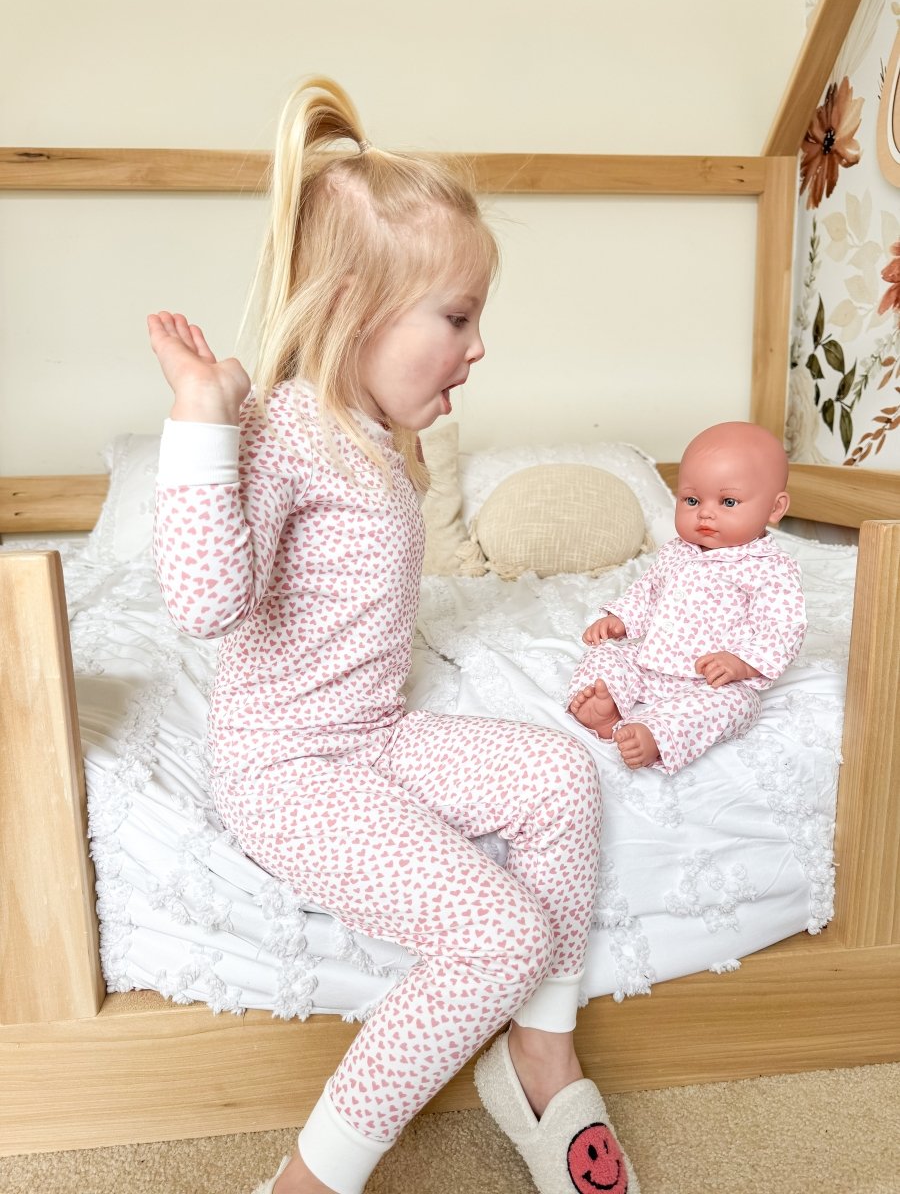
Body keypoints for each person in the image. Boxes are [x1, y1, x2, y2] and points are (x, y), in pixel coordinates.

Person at [148, 78, 639, 1194]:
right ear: (355, 308)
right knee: (495, 935)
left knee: (560, 777)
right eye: (457, 318)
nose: (479, 347)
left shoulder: (373, 435)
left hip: (371, 731)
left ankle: (539, 1059)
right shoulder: (278, 432)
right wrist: (201, 421)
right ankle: (313, 1178)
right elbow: (205, 602)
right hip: (288, 769)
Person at [567, 422, 807, 774]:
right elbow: (648, 590)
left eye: (728, 501)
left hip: (711, 682)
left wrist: (741, 663)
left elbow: (783, 627)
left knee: (738, 706)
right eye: (692, 500)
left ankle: (655, 735)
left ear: (774, 508)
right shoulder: (677, 551)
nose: (705, 513)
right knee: (607, 656)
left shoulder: (771, 568)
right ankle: (605, 706)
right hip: (651, 662)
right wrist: (620, 620)